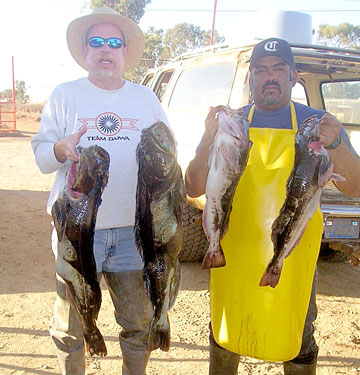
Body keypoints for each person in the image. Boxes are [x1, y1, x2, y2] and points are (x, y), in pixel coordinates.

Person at [185, 37, 360, 375]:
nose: (270, 77)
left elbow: (354, 187)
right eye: (261, 70)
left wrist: (337, 143)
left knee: (298, 332)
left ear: (293, 76)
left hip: (291, 253)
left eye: (278, 69)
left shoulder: (320, 124)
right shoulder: (231, 124)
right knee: (224, 328)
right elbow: (193, 185)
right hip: (232, 249)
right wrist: (208, 139)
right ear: (250, 78)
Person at [31, 7, 169, 375]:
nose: (105, 49)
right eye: (96, 42)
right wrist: (61, 149)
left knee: (138, 323)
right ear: (85, 51)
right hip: (77, 235)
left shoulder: (145, 99)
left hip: (133, 233)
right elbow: (42, 156)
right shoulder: (64, 95)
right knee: (70, 326)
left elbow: (168, 155)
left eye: (114, 42)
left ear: (124, 53)